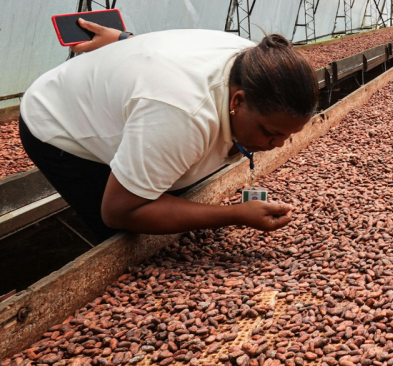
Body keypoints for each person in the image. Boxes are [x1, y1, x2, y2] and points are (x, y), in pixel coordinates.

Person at [19, 18, 319, 241]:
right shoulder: (181, 114)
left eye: (287, 136)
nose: (277, 145)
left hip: (145, 106)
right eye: (269, 132)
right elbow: (119, 211)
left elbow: (170, 49)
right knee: (125, 232)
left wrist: (125, 39)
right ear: (237, 100)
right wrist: (233, 215)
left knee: (164, 188)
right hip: (59, 121)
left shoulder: (257, 63)